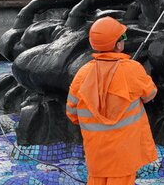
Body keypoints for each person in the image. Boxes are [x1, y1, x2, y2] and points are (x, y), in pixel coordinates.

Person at [66, 17, 158, 185]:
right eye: (122, 37)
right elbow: (150, 94)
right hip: (124, 154)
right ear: (118, 44)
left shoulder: (82, 73)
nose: (124, 40)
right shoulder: (132, 69)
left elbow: (72, 113)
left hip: (96, 154)